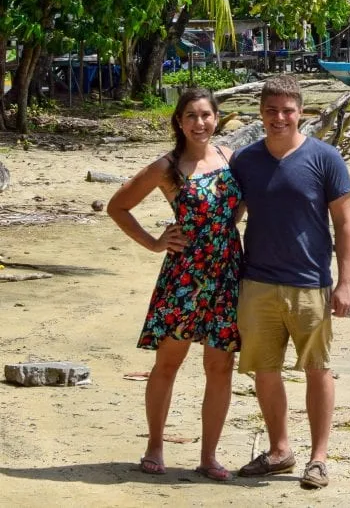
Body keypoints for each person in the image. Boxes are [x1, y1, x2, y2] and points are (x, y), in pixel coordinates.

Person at [107, 87, 242, 482]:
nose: (200, 123)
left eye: (206, 115)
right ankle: (154, 445)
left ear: (217, 119)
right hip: (183, 277)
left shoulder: (233, 160)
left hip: (227, 273)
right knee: (168, 363)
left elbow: (241, 205)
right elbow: (118, 206)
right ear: (179, 122)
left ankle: (209, 456)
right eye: (191, 116)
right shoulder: (165, 168)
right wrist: (154, 242)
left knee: (221, 366)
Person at [230, 74, 350, 490]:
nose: (279, 118)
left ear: (301, 113)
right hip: (257, 281)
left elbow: (345, 225)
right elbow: (229, 216)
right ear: (261, 114)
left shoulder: (325, 158)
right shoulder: (245, 161)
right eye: (271, 111)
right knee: (264, 371)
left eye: (287, 111)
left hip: (310, 283)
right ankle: (280, 450)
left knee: (317, 369)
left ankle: (319, 459)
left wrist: (345, 284)